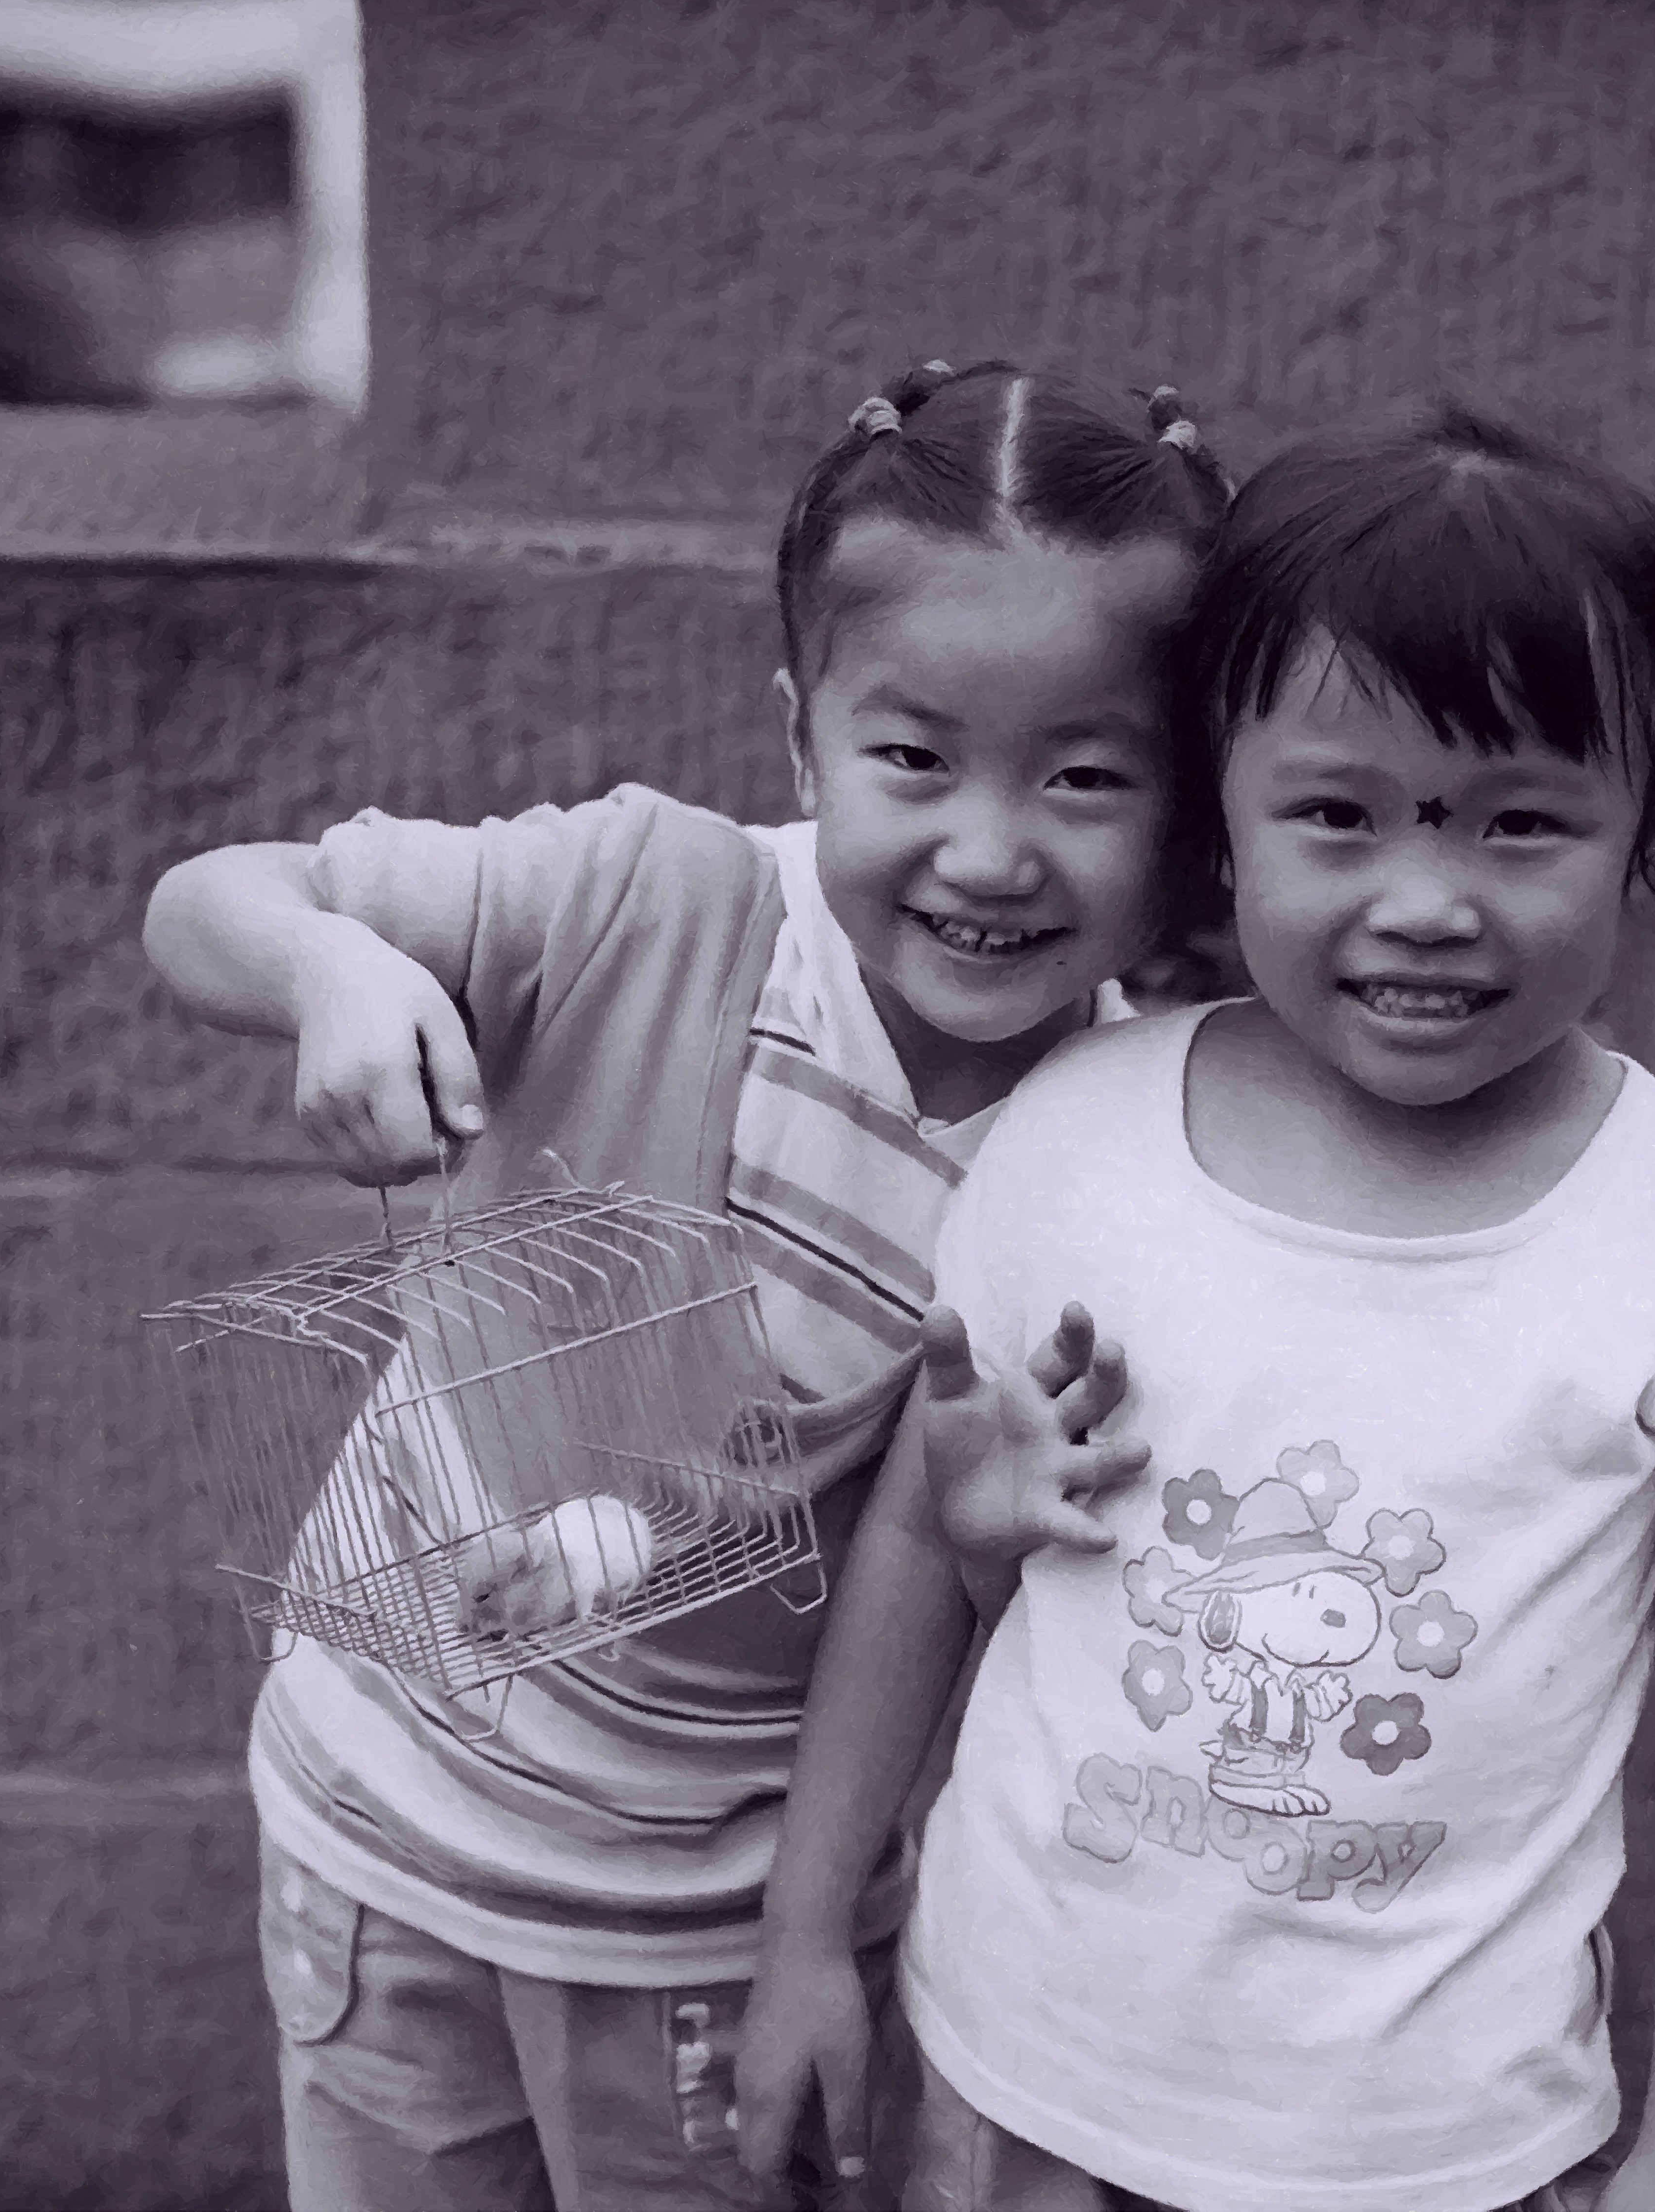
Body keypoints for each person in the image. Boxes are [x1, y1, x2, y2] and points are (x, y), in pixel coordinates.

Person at [139, 358, 1229, 2212]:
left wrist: (814, 1947)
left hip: (714, 1947)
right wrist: (327, 969)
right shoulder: (642, 896)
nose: (987, 847)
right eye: (913, 758)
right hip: (367, 1831)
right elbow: (206, 903)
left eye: (1085, 777)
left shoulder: (1123, 1152)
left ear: (1193, 807)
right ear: (802, 736)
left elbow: (934, 1579)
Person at [739, 401, 1655, 2212]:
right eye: (1337, 814)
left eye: (1521, 824)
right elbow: (926, 1556)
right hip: (1017, 2097)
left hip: (1443, 2156)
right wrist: (803, 1941)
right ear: (1221, 819)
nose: (1426, 902)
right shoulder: (1074, 1134)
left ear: (1639, 827)